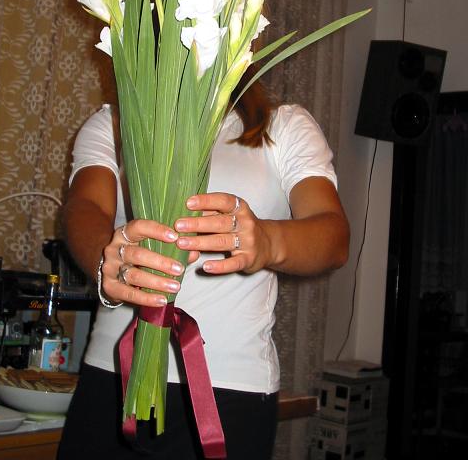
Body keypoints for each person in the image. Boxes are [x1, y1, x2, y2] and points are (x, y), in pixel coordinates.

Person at [57, 72, 349, 460]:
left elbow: (333, 235)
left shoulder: (284, 126)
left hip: (229, 391)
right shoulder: (116, 121)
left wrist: (269, 240)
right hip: (112, 377)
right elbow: (85, 207)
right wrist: (106, 258)